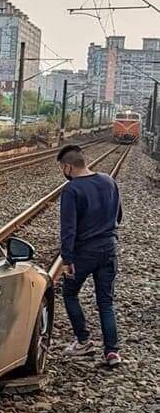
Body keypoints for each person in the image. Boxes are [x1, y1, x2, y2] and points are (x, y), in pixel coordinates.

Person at [57, 145, 123, 366]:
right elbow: (119, 216)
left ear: (68, 166)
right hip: (109, 249)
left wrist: (67, 260)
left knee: (69, 293)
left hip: (85, 253)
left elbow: (68, 228)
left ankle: (83, 341)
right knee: (106, 302)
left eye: (62, 168)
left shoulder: (71, 189)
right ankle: (112, 352)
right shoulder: (108, 181)